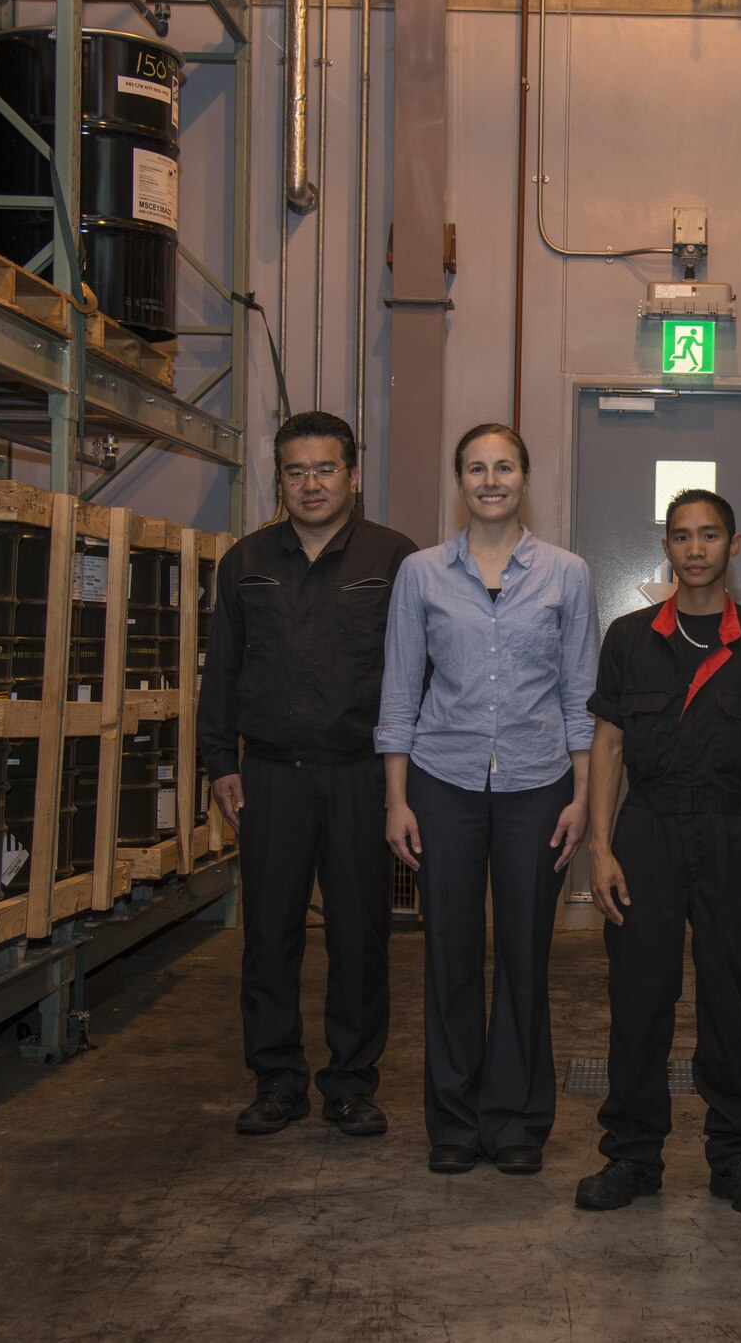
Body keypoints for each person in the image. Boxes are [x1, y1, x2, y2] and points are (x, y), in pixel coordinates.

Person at [575, 489, 741, 1218]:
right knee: (638, 999)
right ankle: (632, 1157)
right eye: (682, 536)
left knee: (729, 1003)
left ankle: (737, 1156)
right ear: (667, 548)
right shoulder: (629, 637)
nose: (696, 548)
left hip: (734, 834)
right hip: (645, 831)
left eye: (710, 535)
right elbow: (608, 744)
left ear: (734, 545)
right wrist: (601, 847)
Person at [377, 423, 599, 1177]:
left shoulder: (567, 574)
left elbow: (581, 696)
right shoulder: (421, 574)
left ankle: (516, 1121)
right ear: (459, 480)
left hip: (540, 786)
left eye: (504, 465)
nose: (490, 478)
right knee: (450, 954)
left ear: (524, 477)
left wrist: (584, 799)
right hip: (442, 782)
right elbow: (401, 689)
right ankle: (454, 1118)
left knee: (526, 956)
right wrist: (396, 799)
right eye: (476, 467)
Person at [199, 411, 417, 1137]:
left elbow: (419, 673)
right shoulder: (246, 561)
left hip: (361, 775)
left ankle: (352, 1082)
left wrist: (406, 780)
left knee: (361, 935)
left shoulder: (394, 560)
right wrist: (218, 760)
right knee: (269, 933)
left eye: (326, 469)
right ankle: (278, 1079)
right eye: (296, 471)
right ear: (280, 478)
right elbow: (221, 669)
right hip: (269, 776)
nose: (311, 484)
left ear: (352, 475)